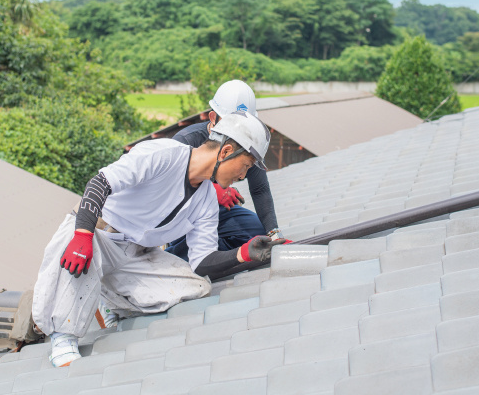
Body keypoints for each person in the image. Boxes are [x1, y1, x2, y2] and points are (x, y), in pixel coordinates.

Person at [32, 111, 288, 367]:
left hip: (135, 254)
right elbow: (100, 183)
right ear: (225, 152)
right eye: (245, 166)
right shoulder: (165, 153)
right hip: (96, 237)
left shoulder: (207, 201)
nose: (242, 176)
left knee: (197, 286)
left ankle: (110, 300)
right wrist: (82, 235)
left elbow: (202, 261)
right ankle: (63, 337)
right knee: (74, 272)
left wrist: (243, 253)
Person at [165, 80, 281, 261]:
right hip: (185, 213)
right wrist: (211, 190)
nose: (237, 131)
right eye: (230, 121)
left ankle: (213, 251)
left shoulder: (246, 144)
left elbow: (260, 189)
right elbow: (168, 187)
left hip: (219, 213)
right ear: (213, 118)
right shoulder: (186, 140)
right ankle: (174, 255)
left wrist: (273, 233)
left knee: (258, 234)